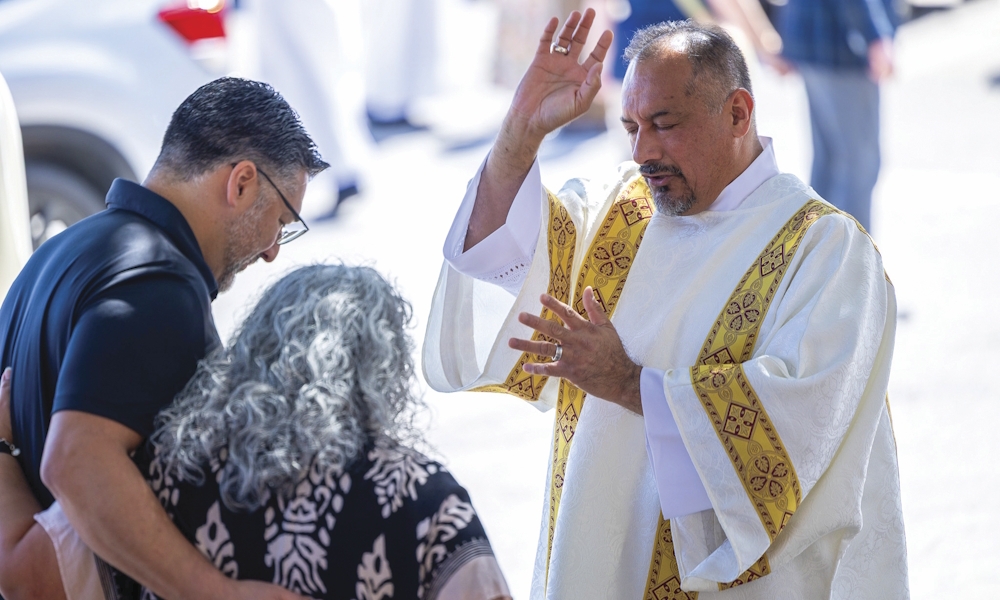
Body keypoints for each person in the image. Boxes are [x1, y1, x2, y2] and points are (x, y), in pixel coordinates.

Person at [422, 10, 907, 599]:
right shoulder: (618, 211)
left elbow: (798, 431)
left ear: (737, 113)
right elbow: (496, 255)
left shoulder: (824, 251)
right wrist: (520, 134)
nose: (643, 150)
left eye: (664, 123)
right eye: (631, 126)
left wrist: (628, 382)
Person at [0, 265, 513, 599]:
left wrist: (2, 446)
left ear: (254, 346)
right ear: (384, 370)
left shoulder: (164, 473)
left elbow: (27, 576)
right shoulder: (424, 501)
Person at [0, 77, 327, 599]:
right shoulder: (158, 281)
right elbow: (76, 461)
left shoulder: (56, 255)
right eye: (282, 221)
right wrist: (211, 591)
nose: (272, 251)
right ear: (241, 182)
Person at [764, 0, 899, 232]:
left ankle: (819, 255)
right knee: (856, 164)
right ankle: (850, 260)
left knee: (831, 161)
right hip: (842, 40)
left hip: (818, 35)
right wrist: (874, 34)